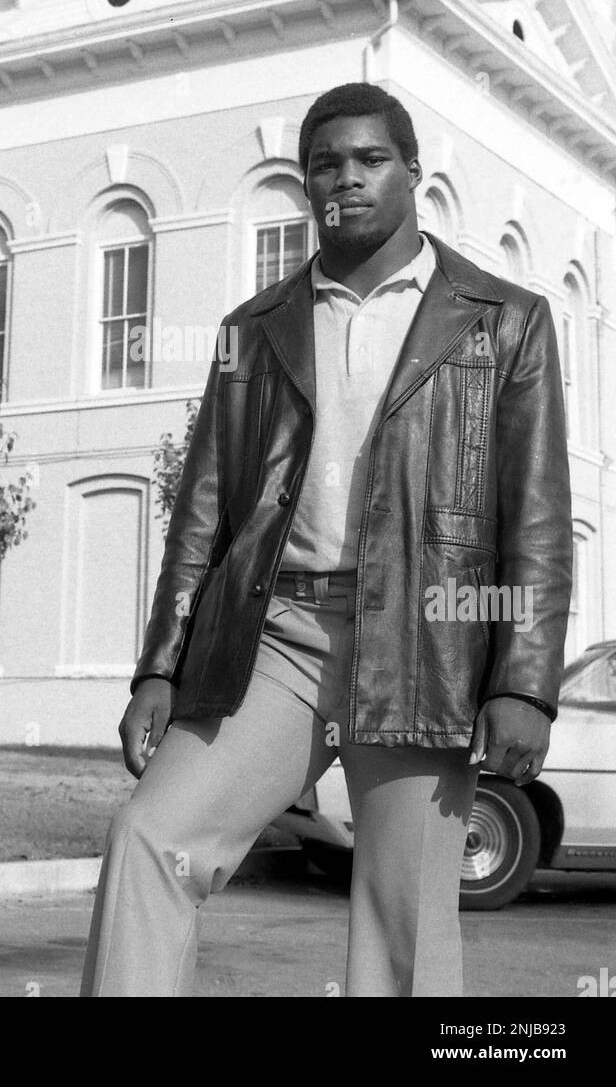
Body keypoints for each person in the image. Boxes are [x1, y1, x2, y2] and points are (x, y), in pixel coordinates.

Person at [80, 82, 573, 998]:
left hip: (425, 637)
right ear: (305, 185)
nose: (346, 179)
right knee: (151, 838)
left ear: (413, 173)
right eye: (325, 164)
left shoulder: (505, 321)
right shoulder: (252, 332)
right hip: (277, 639)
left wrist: (524, 684)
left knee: (406, 919)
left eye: (370, 159)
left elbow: (537, 519)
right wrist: (158, 667)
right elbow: (206, 512)